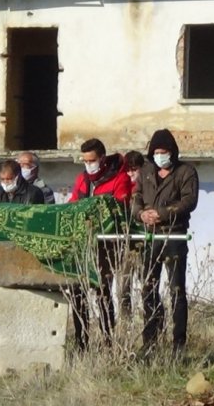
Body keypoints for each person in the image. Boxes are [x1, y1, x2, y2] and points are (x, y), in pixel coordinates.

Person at [133, 129, 199, 356]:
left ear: (173, 152)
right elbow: (137, 198)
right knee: (148, 289)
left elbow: (189, 201)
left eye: (165, 152)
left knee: (176, 290)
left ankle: (178, 343)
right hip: (149, 237)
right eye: (157, 152)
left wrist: (161, 214)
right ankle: (150, 341)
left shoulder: (186, 172)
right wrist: (142, 214)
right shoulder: (146, 172)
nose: (161, 156)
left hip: (174, 235)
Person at [68, 138, 132, 350]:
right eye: (85, 161)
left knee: (103, 292)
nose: (88, 164)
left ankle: (107, 339)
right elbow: (73, 205)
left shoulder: (119, 178)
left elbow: (120, 205)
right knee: (78, 292)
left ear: (102, 158)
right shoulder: (82, 180)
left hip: (106, 245)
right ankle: (81, 341)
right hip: (83, 245)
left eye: (92, 160)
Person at [117, 150, 145, 317]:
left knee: (147, 284)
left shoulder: (146, 188)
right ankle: (125, 322)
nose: (131, 173)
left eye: (134, 169)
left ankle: (150, 321)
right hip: (128, 244)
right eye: (128, 170)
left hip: (144, 241)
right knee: (124, 285)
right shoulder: (123, 187)